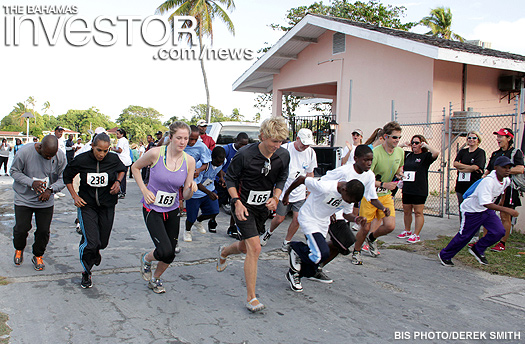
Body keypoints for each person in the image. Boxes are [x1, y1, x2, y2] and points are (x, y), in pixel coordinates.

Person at [217, 117, 290, 313]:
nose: (277, 145)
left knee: (245, 247)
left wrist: (276, 197)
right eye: (274, 141)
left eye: (281, 141)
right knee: (255, 248)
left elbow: (282, 177)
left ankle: (224, 251)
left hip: (262, 207)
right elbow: (230, 179)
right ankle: (251, 298)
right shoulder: (244, 154)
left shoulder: (283, 155)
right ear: (262, 136)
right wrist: (236, 202)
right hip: (242, 205)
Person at [132, 122, 197, 294]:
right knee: (164, 250)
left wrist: (191, 188)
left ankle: (156, 279)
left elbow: (187, 194)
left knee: (170, 253)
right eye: (179, 138)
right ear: (170, 137)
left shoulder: (189, 161)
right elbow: (135, 168)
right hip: (152, 208)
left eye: (186, 138)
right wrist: (144, 190)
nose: (182, 142)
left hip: (172, 209)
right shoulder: (155, 153)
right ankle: (146, 259)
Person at [63, 133, 126, 288]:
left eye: (105, 151)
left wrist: (118, 182)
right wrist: (74, 196)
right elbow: (67, 176)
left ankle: (96, 249)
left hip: (107, 205)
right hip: (87, 206)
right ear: (92, 146)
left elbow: (122, 169)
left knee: (102, 243)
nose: (102, 154)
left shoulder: (112, 159)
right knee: (91, 243)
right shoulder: (82, 159)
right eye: (99, 150)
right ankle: (86, 272)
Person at [283, 177, 365, 292]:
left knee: (320, 257)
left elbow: (347, 214)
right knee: (321, 253)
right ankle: (296, 248)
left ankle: (295, 273)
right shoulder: (325, 187)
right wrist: (286, 195)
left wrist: (356, 219)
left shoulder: (348, 196)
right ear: (344, 189)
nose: (349, 203)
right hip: (309, 218)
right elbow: (301, 179)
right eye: (349, 200)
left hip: (322, 223)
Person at [319, 145, 387, 279]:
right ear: (356, 159)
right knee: (343, 241)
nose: (369, 163)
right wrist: (329, 206)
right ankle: (310, 254)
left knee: (344, 245)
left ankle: (317, 265)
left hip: (344, 212)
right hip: (329, 210)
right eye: (365, 160)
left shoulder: (369, 176)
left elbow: (372, 197)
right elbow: (323, 183)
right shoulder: (344, 171)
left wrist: (383, 208)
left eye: (371, 160)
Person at [438, 156, 518, 266]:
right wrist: (507, 210)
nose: (507, 170)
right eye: (504, 167)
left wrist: (502, 203)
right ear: (496, 168)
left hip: (486, 210)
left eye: (509, 167)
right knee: (465, 236)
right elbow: (485, 203)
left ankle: (478, 248)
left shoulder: (506, 180)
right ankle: (445, 255)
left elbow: (503, 191)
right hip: (472, 210)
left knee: (499, 231)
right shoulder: (488, 181)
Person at [10, 135, 66, 270]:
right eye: (47, 155)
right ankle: (19, 249)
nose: (49, 158)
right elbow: (14, 171)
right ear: (40, 146)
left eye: (51, 156)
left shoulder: (59, 156)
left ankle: (38, 255)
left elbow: (64, 178)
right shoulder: (24, 152)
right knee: (21, 229)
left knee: (43, 231)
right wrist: (31, 183)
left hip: (45, 200)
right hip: (24, 198)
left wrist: (51, 190)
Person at [352, 121, 404, 265]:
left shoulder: (400, 152)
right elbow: (366, 177)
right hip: (370, 196)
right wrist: (382, 184)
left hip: (386, 195)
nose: (397, 140)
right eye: (394, 137)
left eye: (399, 137)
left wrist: (400, 174)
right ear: (386, 137)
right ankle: (356, 251)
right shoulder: (374, 153)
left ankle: (372, 238)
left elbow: (399, 167)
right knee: (365, 227)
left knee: (390, 226)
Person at [260, 128, 318, 251]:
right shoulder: (284, 149)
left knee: (297, 219)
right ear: (297, 139)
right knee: (279, 218)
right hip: (283, 189)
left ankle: (287, 241)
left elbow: (310, 173)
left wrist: (309, 191)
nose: (305, 146)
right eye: (303, 143)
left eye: (307, 144)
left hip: (300, 192)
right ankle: (268, 233)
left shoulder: (311, 153)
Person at [481, 128, 524, 252]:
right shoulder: (496, 153)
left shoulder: (516, 152)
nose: (498, 139)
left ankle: (502, 243)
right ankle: (485, 240)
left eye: (501, 137)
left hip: (509, 188)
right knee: (487, 213)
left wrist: (504, 171)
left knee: (505, 216)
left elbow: (521, 168)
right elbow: (488, 170)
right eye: (498, 136)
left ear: (509, 138)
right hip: (494, 188)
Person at [397, 135, 439, 243]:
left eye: (416, 143)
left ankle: (416, 234)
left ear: (421, 144)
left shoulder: (425, 156)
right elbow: (396, 150)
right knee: (406, 211)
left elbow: (436, 153)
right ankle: (407, 230)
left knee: (418, 212)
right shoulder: (408, 155)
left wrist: (426, 145)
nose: (414, 145)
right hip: (407, 188)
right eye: (413, 143)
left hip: (419, 189)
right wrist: (403, 144)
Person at [185, 146, 226, 239]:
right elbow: (197, 183)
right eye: (217, 162)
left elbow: (219, 169)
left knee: (214, 211)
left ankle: (198, 220)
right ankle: (187, 231)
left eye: (221, 162)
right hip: (195, 193)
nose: (219, 164)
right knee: (191, 217)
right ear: (212, 158)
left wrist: (221, 177)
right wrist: (209, 193)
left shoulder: (222, 161)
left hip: (210, 189)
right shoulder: (201, 165)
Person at [217, 132, 249, 238]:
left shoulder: (246, 151)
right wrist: (223, 178)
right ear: (236, 141)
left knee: (236, 203)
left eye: (245, 145)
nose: (243, 147)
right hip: (224, 180)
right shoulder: (227, 149)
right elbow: (218, 165)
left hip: (237, 182)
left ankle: (233, 227)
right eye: (241, 144)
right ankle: (212, 221)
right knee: (217, 204)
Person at [453, 131, 485, 223]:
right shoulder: (463, 151)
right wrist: (469, 168)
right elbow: (455, 163)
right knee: (462, 207)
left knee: (472, 207)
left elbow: (476, 167)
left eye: (474, 138)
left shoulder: (480, 152)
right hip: (461, 184)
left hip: (472, 184)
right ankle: (462, 227)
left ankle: (473, 230)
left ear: (478, 140)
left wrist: (462, 167)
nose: (471, 140)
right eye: (469, 138)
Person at [111, 128, 132, 198]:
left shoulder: (121, 140)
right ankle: (122, 191)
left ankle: (121, 191)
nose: (116, 135)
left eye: (118, 134)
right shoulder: (125, 140)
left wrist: (113, 149)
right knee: (123, 177)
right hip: (126, 160)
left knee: (120, 177)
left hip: (122, 160)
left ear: (122, 134)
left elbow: (120, 150)